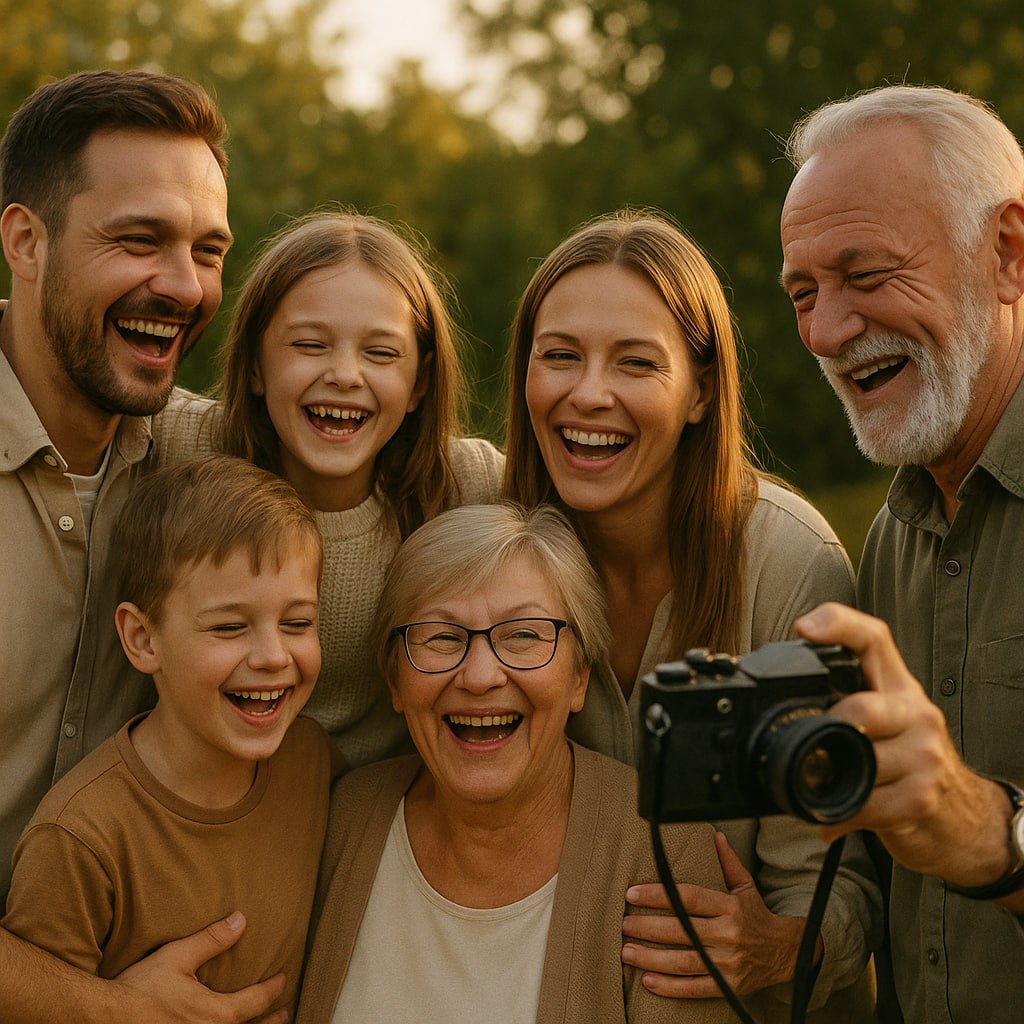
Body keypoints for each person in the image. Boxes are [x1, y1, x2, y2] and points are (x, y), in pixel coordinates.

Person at [503, 210, 881, 1022]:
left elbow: (842, 877)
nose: (588, 393)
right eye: (559, 356)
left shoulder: (789, 567)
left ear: (701, 391)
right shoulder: (495, 551)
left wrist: (782, 944)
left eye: (636, 362)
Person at [780, 84, 1024, 1022]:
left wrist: (989, 836)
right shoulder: (892, 539)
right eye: (804, 293)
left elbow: (955, 829)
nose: (826, 331)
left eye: (867, 274)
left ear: (1008, 252)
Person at [297, 501, 734, 1024]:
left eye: (523, 635)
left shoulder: (667, 854)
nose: (480, 676)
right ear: (395, 680)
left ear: (579, 677)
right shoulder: (338, 821)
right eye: (441, 637)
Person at [152, 209, 503, 766]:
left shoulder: (465, 486)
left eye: (381, 353)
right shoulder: (180, 443)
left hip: (373, 813)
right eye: (310, 345)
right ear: (255, 367)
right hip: (207, 799)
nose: (345, 374)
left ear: (419, 383)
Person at [4, 455, 341, 1015]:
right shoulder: (80, 839)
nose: (273, 656)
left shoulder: (311, 763)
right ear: (142, 639)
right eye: (230, 627)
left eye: (298, 623)